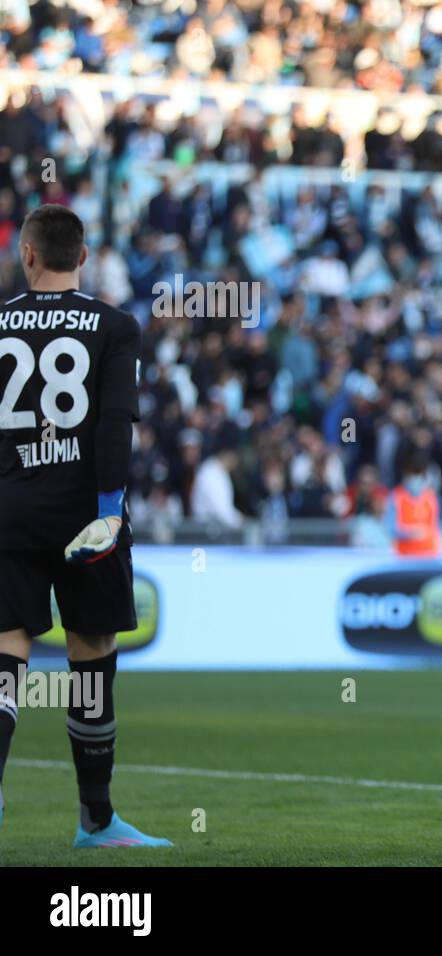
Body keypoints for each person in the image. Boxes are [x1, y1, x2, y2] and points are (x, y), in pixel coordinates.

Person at [0, 205, 171, 848]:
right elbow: (112, 426)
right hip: (83, 517)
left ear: (28, 254)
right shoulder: (115, 326)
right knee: (91, 656)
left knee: (6, 651)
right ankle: (96, 820)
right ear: (86, 256)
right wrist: (107, 512)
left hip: (9, 512)